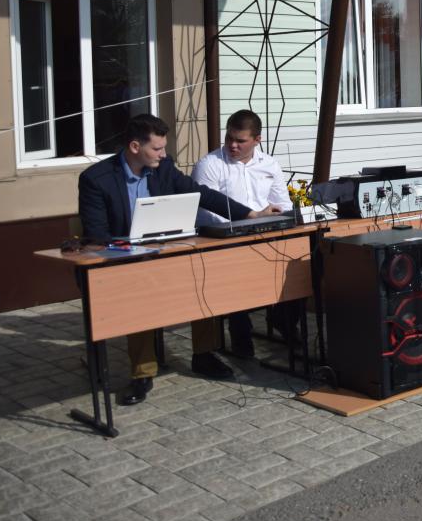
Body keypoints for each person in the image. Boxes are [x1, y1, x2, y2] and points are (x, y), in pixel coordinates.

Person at [78, 114, 279, 405]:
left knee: (202, 274)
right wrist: (133, 246)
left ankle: (203, 354)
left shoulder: (163, 168)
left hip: (165, 251)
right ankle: (142, 373)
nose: (163, 154)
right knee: (138, 292)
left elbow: (202, 194)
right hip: (122, 260)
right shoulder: (97, 179)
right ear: (135, 147)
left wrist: (250, 214)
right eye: (157, 148)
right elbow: (97, 235)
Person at [192, 110, 293, 358]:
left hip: (266, 236)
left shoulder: (269, 164)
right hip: (227, 241)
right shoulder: (210, 164)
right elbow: (204, 214)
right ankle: (241, 335)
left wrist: (272, 219)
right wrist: (244, 223)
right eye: (229, 138)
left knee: (298, 264)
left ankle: (284, 319)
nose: (233, 145)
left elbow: (283, 204)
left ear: (257, 140)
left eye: (240, 141)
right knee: (237, 276)